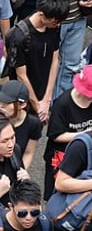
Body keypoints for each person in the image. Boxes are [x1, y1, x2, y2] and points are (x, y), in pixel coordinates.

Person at [7, 0, 69, 124]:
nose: (57, 25)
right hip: (23, 97)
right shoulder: (20, 36)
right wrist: (38, 106)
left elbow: (55, 58)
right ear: (42, 14)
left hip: (43, 92)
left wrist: (47, 99)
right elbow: (21, 75)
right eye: (54, 22)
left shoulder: (53, 27)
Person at [44, 64, 92, 198]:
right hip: (61, 155)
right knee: (57, 192)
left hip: (84, 153)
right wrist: (84, 134)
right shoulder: (62, 104)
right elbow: (55, 135)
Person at [0, 80, 42, 172]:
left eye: (7, 102)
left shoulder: (33, 123)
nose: (1, 105)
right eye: (0, 100)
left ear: (23, 105)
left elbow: (28, 153)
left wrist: (20, 172)